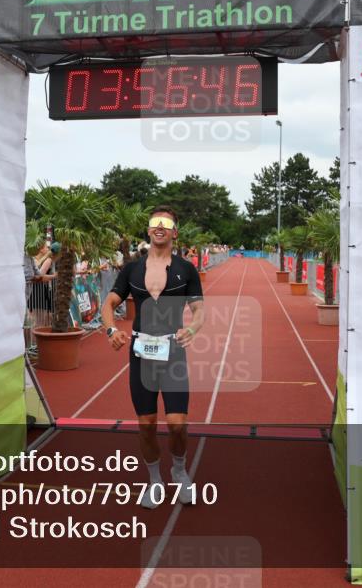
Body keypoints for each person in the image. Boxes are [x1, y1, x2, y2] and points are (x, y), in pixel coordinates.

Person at [100, 206, 204, 509]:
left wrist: (192, 329)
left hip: (173, 352)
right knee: (146, 424)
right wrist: (110, 330)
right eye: (155, 222)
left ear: (174, 232)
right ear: (148, 230)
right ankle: (155, 480)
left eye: (166, 223)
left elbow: (199, 309)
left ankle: (179, 471)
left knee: (177, 424)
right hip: (141, 354)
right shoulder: (132, 269)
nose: (159, 227)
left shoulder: (186, 269)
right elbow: (109, 303)